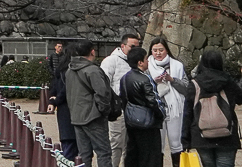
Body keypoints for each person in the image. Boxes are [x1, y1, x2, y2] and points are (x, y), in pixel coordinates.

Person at [183, 49, 242, 167]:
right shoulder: (227, 81)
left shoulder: (195, 84)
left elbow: (187, 113)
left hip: (201, 135)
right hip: (227, 134)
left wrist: (185, 140)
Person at [65, 38, 118, 167]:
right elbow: (103, 93)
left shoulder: (69, 70)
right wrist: (104, 111)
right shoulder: (93, 70)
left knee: (84, 154)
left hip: (77, 116)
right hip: (93, 116)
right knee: (104, 152)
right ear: (92, 52)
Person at [120, 45, 168, 167]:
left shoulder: (125, 78)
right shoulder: (145, 79)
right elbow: (153, 101)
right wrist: (162, 114)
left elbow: (123, 98)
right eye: (146, 59)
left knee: (133, 153)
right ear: (140, 62)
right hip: (147, 123)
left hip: (131, 120)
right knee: (150, 156)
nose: (148, 61)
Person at [147, 39, 188, 167]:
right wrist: (154, 82)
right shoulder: (146, 65)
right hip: (156, 109)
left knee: (176, 143)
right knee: (157, 144)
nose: (158, 53)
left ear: (166, 50)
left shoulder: (177, 65)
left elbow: (187, 88)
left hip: (174, 109)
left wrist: (172, 80)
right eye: (155, 50)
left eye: (161, 50)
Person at [104, 34, 144, 165]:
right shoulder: (111, 61)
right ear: (123, 46)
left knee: (131, 143)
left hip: (133, 109)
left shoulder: (139, 62)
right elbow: (104, 85)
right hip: (118, 109)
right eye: (132, 46)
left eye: (137, 47)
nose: (135, 49)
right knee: (116, 143)